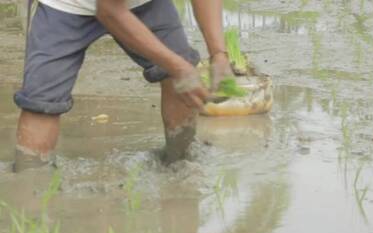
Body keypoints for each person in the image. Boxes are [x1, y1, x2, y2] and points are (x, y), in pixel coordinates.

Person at [13, 0, 233, 172]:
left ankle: (178, 164)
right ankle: (31, 190)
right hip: (65, 7)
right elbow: (109, 11)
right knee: (41, 103)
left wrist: (219, 54)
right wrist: (180, 68)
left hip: (143, 5)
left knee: (180, 80)